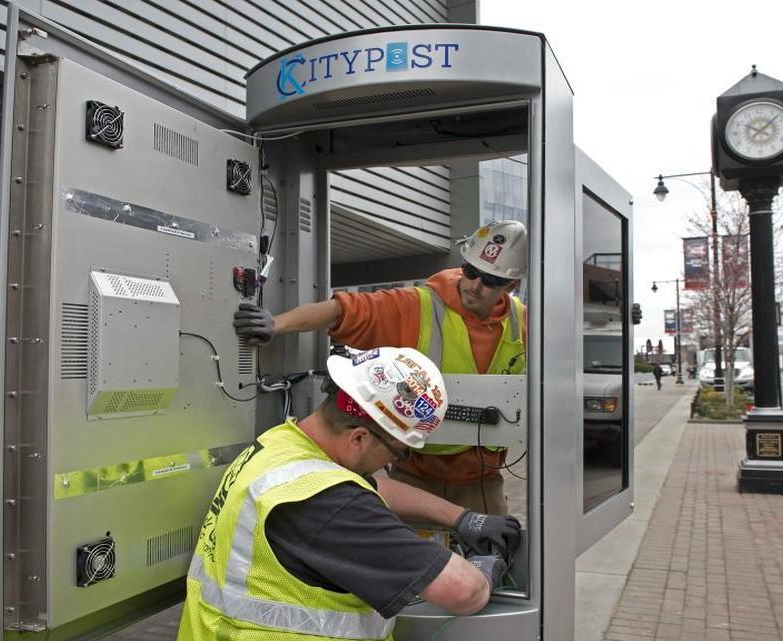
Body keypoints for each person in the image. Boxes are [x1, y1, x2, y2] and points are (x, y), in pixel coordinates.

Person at [177, 347, 522, 641]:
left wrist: (462, 518)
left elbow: (371, 486)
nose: (393, 462)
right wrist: (484, 568)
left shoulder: (282, 446)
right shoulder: (330, 507)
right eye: (400, 452)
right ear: (359, 438)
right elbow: (463, 592)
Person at [234, 220, 529, 515]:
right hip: (415, 476)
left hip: (481, 482)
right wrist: (277, 324)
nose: (474, 286)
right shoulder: (417, 305)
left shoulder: (523, 322)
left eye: (490, 280)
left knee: (488, 555)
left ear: (511, 285)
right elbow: (342, 311)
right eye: (471, 271)